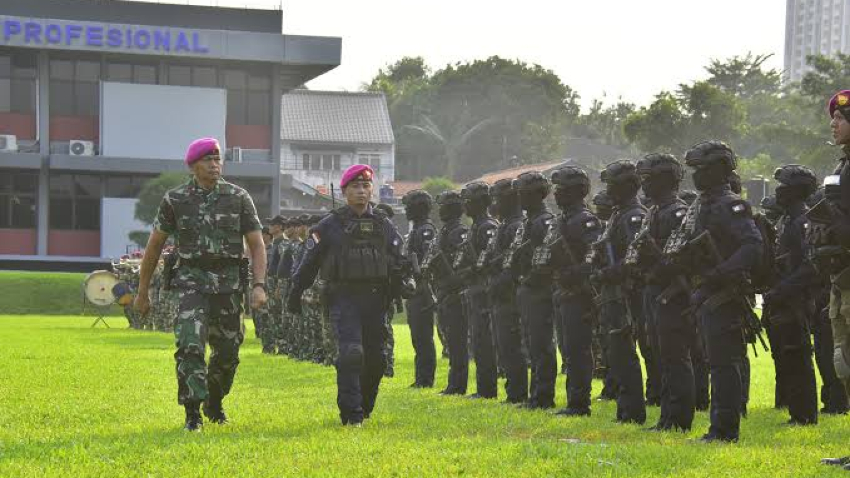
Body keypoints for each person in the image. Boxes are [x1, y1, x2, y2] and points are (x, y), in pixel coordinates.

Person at [134, 137, 267, 431]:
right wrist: (142, 292)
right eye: (208, 159)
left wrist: (259, 285)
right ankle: (192, 412)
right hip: (191, 282)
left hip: (229, 285)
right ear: (194, 165)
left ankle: (214, 401)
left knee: (228, 353)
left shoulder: (238, 197)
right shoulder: (175, 199)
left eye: (218, 159)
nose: (215, 165)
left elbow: (256, 245)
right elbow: (154, 246)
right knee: (190, 345)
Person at [286, 164, 412, 426]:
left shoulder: (383, 224)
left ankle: (365, 407)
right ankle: (351, 414)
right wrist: (295, 293)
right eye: (356, 186)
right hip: (344, 298)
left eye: (366, 186)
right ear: (345, 191)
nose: (362, 192)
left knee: (377, 360)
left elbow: (399, 258)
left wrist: (406, 280)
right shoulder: (329, 225)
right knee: (352, 353)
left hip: (377, 299)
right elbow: (309, 262)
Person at [670, 140, 762, 442]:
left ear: (719, 170)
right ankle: (719, 426)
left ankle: (725, 430)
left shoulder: (730, 204)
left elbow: (752, 246)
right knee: (715, 362)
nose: (696, 175)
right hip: (705, 291)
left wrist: (719, 274)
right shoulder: (700, 204)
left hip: (725, 293)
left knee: (724, 363)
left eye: (702, 169)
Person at [633, 153, 697, 431]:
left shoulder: (677, 213)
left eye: (648, 180)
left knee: (675, 357)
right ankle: (666, 416)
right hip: (653, 290)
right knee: (660, 356)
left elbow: (679, 261)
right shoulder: (654, 212)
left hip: (671, 293)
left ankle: (680, 418)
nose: (644, 186)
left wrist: (652, 254)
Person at [542, 166, 602, 416]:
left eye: (562, 190)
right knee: (568, 349)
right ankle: (572, 399)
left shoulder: (584, 220)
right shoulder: (561, 219)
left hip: (579, 292)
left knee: (578, 349)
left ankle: (580, 402)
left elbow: (594, 255)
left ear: (578, 192)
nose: (556, 195)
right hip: (563, 291)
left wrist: (575, 272)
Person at [763, 165, 820, 426]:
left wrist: (782, 289)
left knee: (798, 355)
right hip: (782, 299)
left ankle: (805, 414)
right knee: (788, 355)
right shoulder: (787, 219)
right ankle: (797, 411)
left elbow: (809, 267)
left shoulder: (802, 221)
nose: (778, 191)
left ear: (795, 191)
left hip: (795, 300)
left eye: (784, 186)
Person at [592, 160, 647, 425]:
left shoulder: (633, 215)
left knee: (625, 351)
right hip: (612, 292)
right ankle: (625, 409)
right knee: (616, 352)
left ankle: (633, 410)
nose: (609, 190)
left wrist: (610, 273)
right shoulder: (619, 214)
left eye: (613, 185)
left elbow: (633, 257)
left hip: (625, 292)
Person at [508, 171, 557, 410]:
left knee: (541, 345)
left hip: (539, 288)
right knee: (532, 345)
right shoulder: (530, 221)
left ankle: (544, 396)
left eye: (524, 194)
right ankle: (535, 395)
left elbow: (545, 259)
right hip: (526, 286)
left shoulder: (544, 221)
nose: (520, 198)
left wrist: (531, 279)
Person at [482, 178, 529, 404]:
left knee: (512, 344)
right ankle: (513, 390)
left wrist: (500, 281)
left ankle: (518, 392)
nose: (494, 204)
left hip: (510, 293)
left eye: (498, 199)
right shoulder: (506, 225)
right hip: (500, 292)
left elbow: (514, 262)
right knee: (504, 344)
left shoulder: (517, 225)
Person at [425, 191, 470, 396]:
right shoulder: (444, 231)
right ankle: (454, 383)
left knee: (457, 341)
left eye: (443, 206)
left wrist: (452, 282)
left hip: (455, 292)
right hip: (443, 291)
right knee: (450, 341)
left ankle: (458, 384)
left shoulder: (458, 231)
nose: (439, 210)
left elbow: (463, 264)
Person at [458, 182, 500, 399]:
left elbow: (489, 261)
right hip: (474, 289)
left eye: (469, 201)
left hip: (484, 291)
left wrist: (473, 269)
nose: (465, 205)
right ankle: (483, 387)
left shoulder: (487, 226)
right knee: (477, 340)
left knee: (484, 341)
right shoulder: (476, 226)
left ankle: (488, 389)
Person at [401, 190, 438, 388]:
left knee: (423, 336)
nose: (406, 210)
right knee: (418, 336)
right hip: (414, 289)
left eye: (409, 206)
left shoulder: (426, 230)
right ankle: (421, 377)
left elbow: (427, 261)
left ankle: (426, 379)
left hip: (423, 289)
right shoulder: (415, 230)